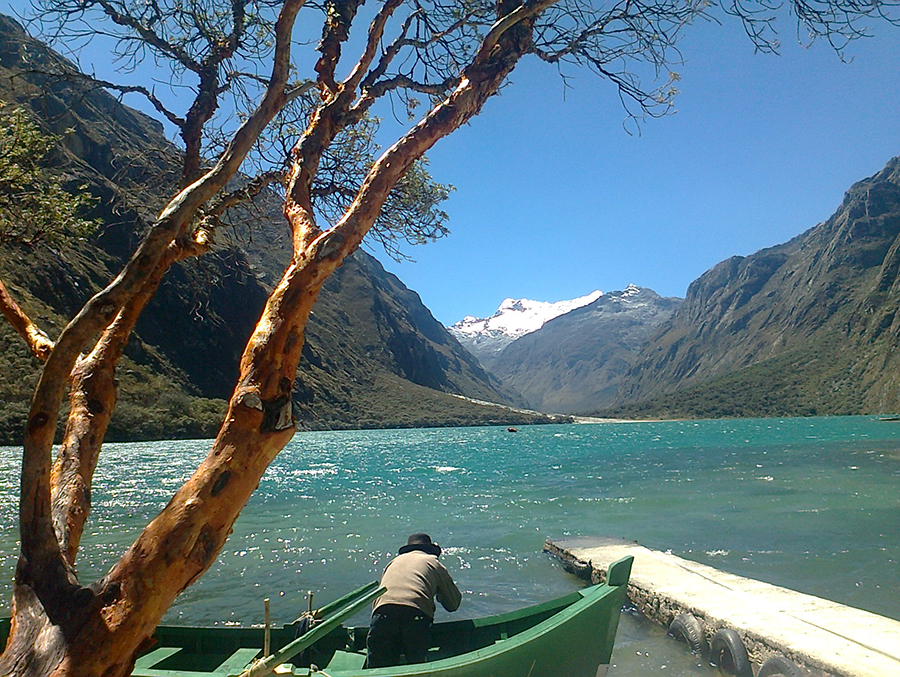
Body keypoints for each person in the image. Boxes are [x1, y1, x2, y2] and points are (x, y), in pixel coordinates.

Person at [365, 533, 462, 668]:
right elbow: (453, 604)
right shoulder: (433, 562)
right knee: (415, 665)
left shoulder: (393, 563)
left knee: (378, 667)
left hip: (382, 613)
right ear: (430, 550)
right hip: (415, 615)